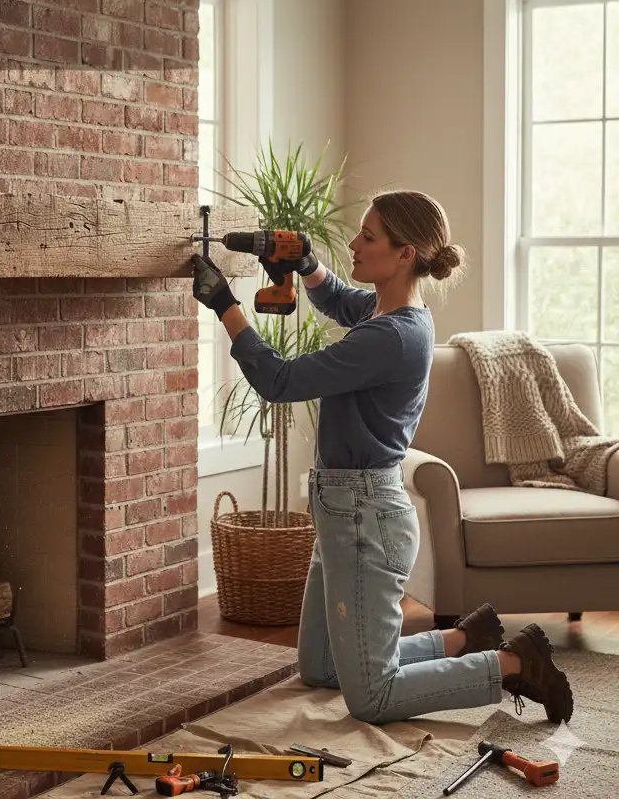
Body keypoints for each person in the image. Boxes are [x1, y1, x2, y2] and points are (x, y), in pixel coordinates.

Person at [192, 190, 574, 726]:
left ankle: (512, 661)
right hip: (344, 508)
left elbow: (278, 381)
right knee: (320, 667)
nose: (353, 241)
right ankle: (466, 637)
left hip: (363, 518)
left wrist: (225, 306)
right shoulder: (393, 311)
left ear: (405, 254)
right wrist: (308, 265)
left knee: (370, 698)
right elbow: (343, 301)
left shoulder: (390, 338)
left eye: (368, 236)